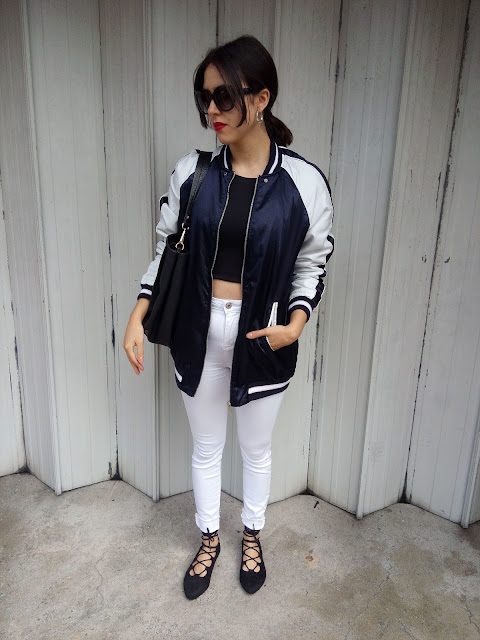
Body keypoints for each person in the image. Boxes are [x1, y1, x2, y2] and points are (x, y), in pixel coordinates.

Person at [123, 35, 334, 600]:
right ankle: (210, 538)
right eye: (205, 97)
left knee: (256, 450)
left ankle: (252, 536)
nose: (211, 109)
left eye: (224, 96)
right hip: (197, 331)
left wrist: (295, 325)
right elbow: (166, 250)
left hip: (262, 335)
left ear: (261, 98)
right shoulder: (192, 175)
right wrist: (138, 314)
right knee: (206, 447)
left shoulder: (304, 184)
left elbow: (312, 262)